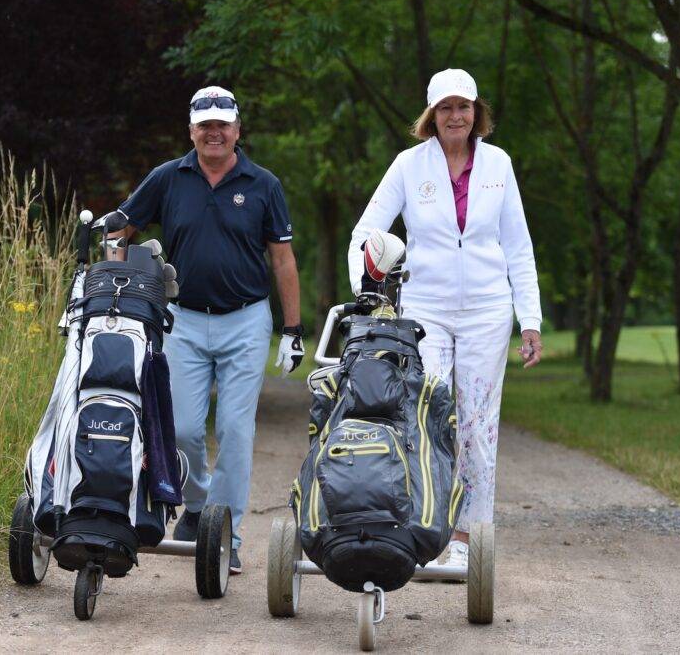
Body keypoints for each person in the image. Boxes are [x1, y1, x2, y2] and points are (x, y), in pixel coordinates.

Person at [347, 68, 542, 574]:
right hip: (425, 308)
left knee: (477, 426)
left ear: (478, 112)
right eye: (447, 108)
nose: (457, 116)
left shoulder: (499, 163)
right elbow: (367, 231)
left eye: (465, 106)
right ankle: (424, 524)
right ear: (431, 116)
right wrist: (366, 289)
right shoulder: (409, 166)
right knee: (427, 413)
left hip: (487, 309)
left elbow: (518, 246)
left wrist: (531, 320)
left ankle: (467, 538)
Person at [112, 86, 304, 575]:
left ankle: (227, 535)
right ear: (192, 130)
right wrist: (119, 278)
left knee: (237, 431)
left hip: (246, 321)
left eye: (223, 123)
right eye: (205, 124)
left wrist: (294, 328)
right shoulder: (168, 177)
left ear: (238, 130)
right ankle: (198, 506)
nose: (214, 132)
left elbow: (282, 259)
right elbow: (121, 228)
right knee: (182, 431)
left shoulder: (263, 184)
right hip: (184, 320)